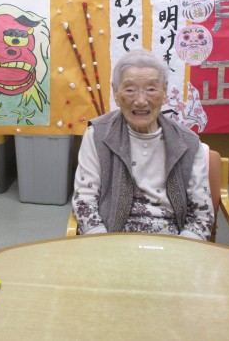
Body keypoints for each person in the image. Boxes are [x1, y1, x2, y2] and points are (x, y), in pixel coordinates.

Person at [72, 49, 214, 240]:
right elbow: (84, 200)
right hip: (112, 238)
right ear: (115, 92)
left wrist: (183, 251)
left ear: (164, 91)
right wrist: (103, 245)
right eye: (130, 90)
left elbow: (201, 215)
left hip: (172, 242)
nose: (140, 101)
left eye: (151, 89)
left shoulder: (187, 142)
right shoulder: (97, 135)